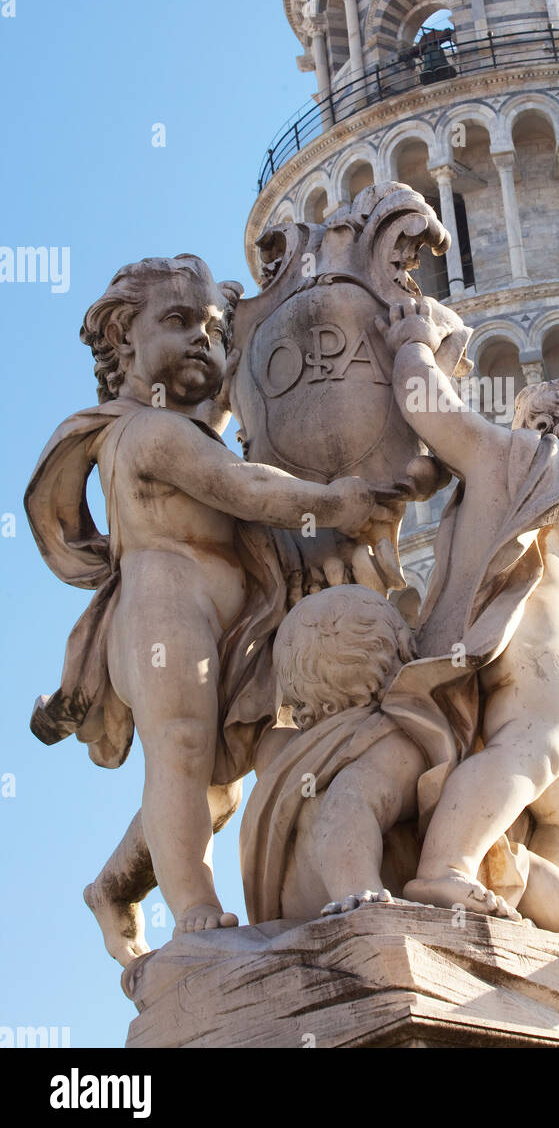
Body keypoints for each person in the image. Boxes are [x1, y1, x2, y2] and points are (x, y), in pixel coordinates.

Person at [26, 254, 392, 961]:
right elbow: (246, 490)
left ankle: (114, 887)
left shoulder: (190, 426)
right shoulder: (145, 433)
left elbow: (222, 430)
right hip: (166, 613)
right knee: (184, 752)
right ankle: (194, 904)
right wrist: (334, 502)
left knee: (225, 780)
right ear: (124, 340)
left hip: (240, 620)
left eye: (214, 328)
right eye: (178, 321)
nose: (202, 337)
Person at [241, 584, 559, 968]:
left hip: (305, 902)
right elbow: (348, 806)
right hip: (342, 893)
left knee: (514, 867)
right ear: (394, 659)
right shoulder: (388, 739)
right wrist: (359, 894)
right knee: (529, 877)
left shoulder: (294, 752)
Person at [375, 299, 559, 918]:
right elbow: (437, 413)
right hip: (534, 645)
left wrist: (415, 349)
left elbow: (435, 411)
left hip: (539, 652)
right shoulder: (541, 466)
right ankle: (445, 868)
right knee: (535, 745)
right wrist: (412, 346)